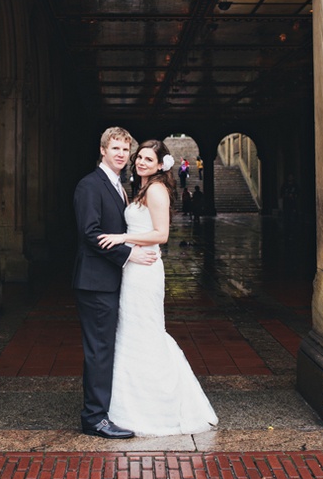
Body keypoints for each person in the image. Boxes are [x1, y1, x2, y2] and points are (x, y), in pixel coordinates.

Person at [98, 139, 218, 436]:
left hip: (146, 269)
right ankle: (128, 403)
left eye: (148, 159)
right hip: (134, 268)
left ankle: (158, 405)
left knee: (146, 330)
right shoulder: (139, 189)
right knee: (132, 331)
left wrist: (121, 238)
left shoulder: (155, 189)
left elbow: (162, 234)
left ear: (160, 164)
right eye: (139, 157)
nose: (140, 162)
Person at [73, 127, 158, 439]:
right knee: (99, 349)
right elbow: (90, 233)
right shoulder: (89, 185)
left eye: (126, 150)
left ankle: (103, 410)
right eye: (116, 149)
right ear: (102, 150)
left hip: (109, 280)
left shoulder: (119, 186)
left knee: (106, 347)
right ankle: (94, 418)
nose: (121, 154)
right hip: (94, 282)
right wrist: (129, 254)